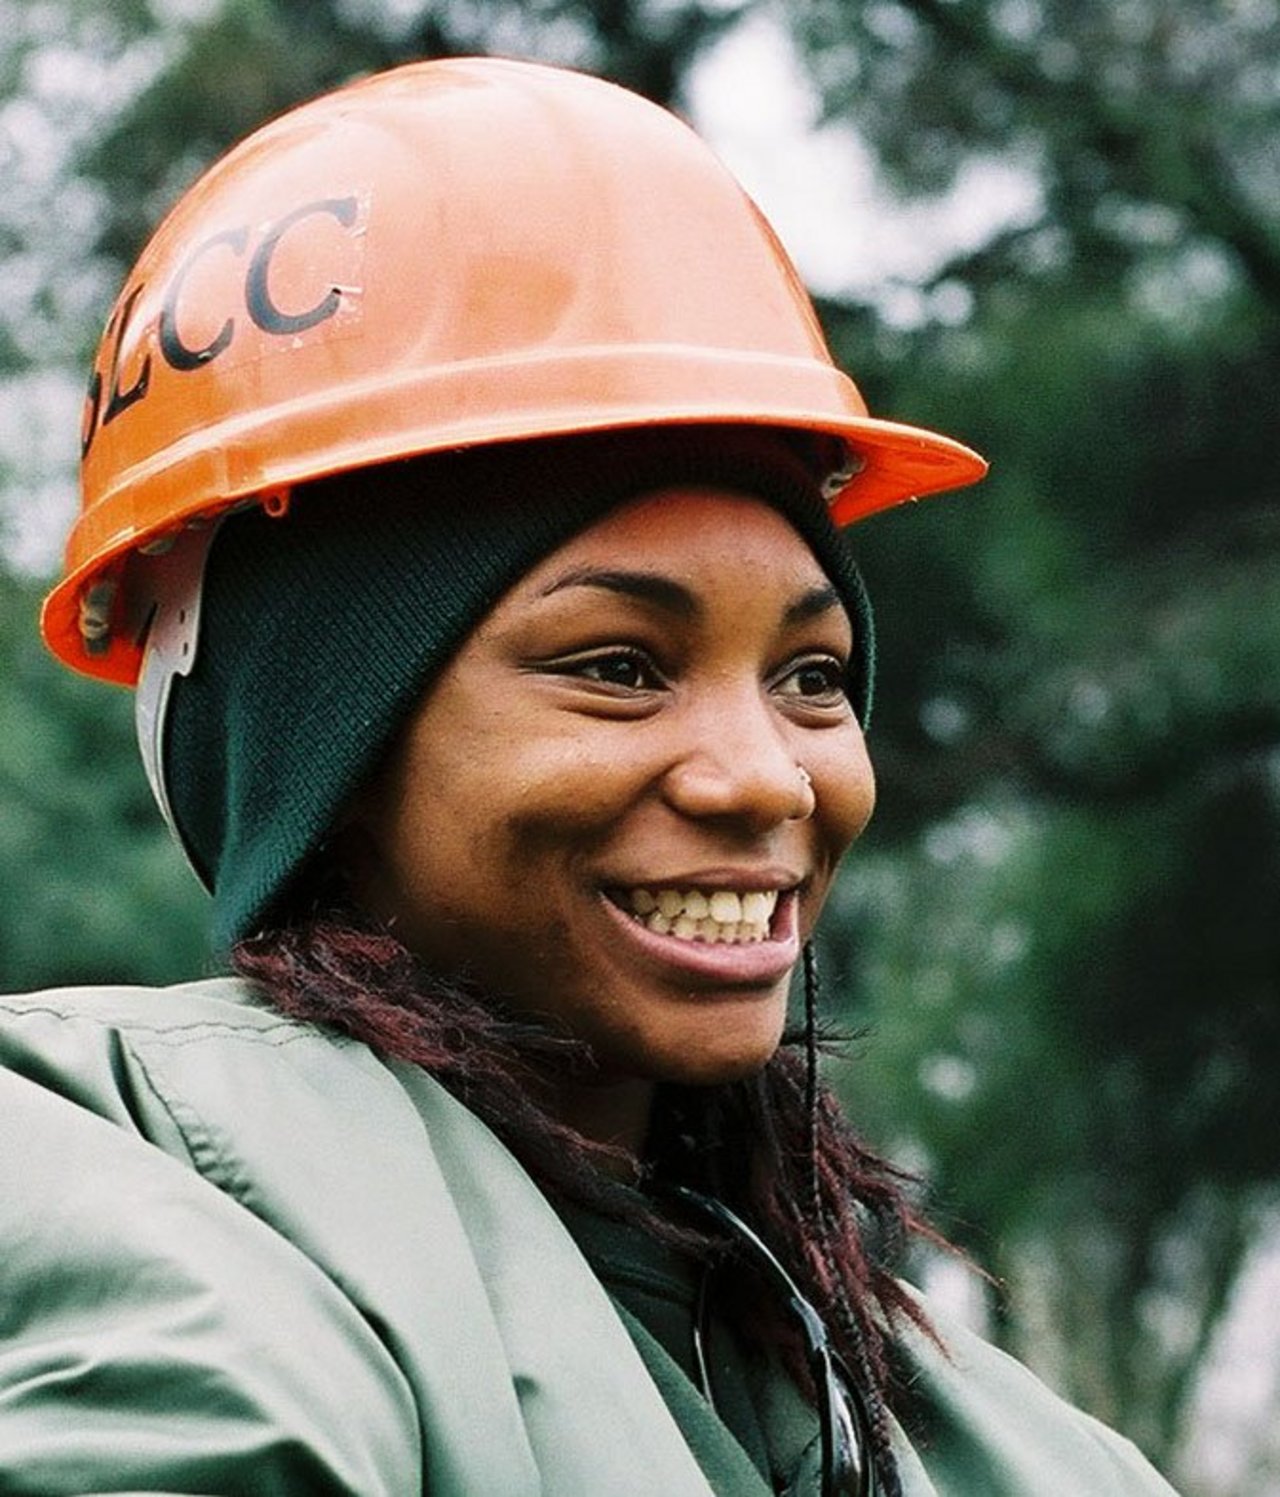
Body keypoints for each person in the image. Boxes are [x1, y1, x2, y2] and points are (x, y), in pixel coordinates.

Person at [0, 57, 1178, 1497]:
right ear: (327, 750)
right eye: (619, 663)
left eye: (811, 674)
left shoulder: (987, 1433)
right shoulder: (121, 1179)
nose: (767, 781)